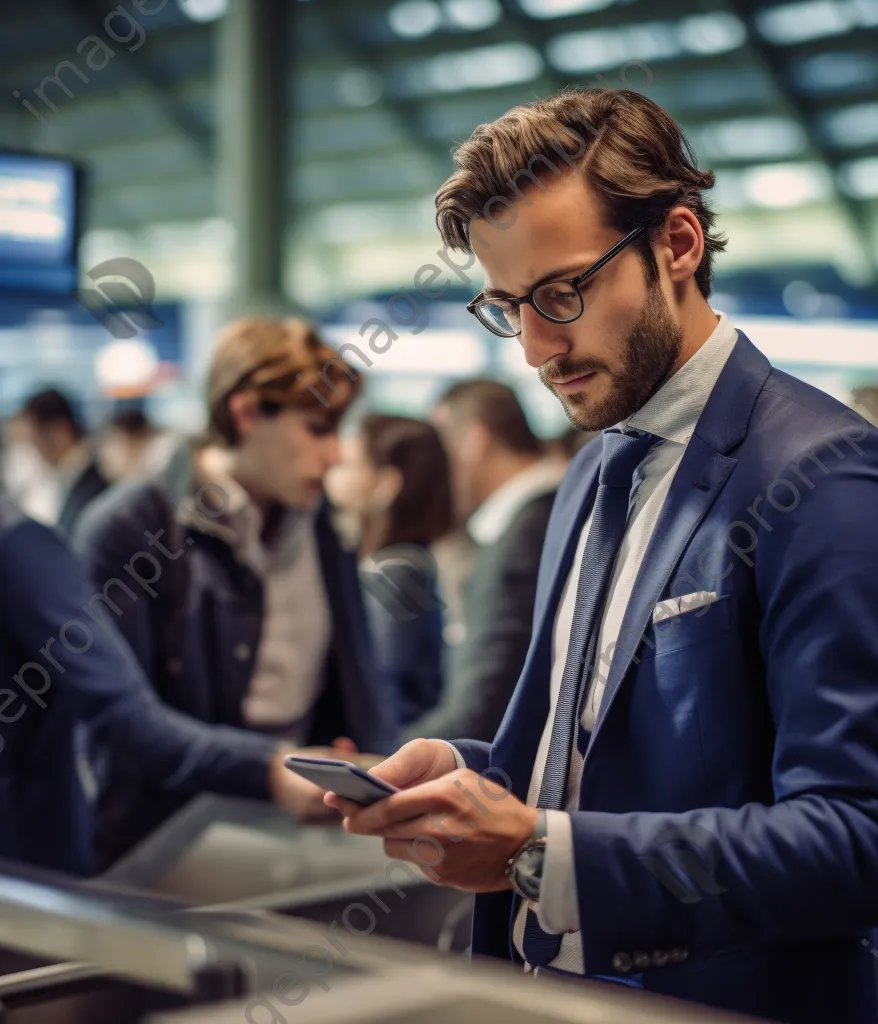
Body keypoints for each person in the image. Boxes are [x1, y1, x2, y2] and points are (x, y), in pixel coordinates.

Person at [328, 88, 878, 1024]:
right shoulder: (593, 469)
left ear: (678, 245)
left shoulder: (832, 479)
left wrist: (540, 851)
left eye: (562, 292)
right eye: (508, 307)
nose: (536, 346)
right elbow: (594, 761)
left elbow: (867, 842)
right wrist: (467, 774)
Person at [74, 316, 396, 867]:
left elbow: (359, 689)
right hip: (156, 850)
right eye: (318, 428)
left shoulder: (322, 525)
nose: (337, 454)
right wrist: (270, 767)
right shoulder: (130, 528)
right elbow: (121, 723)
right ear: (246, 412)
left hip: (294, 842)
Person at [0, 495, 342, 876]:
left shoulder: (20, 548)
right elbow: (128, 718)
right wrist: (268, 768)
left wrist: (272, 767)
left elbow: (123, 712)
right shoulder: (24, 548)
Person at [400, 380, 564, 744]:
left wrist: (378, 758)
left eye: (439, 453)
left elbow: (479, 712)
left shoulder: (523, 539)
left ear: (475, 441)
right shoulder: (548, 512)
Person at [327, 413, 452, 726]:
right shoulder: (406, 563)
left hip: (390, 752)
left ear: (387, 484)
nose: (332, 471)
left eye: (349, 464)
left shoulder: (396, 573)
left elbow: (375, 683)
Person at [20, 388, 108, 536]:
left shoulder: (91, 489)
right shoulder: (71, 480)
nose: (33, 451)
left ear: (59, 432)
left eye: (34, 441)